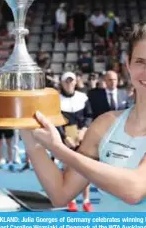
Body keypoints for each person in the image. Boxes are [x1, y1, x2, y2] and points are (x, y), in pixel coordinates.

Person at [20, 20, 146, 212]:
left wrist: (59, 150)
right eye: (140, 62)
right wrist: (30, 136)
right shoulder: (105, 124)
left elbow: (135, 189)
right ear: (128, 65)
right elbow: (60, 194)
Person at [55, 72, 93, 212]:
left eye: (71, 81)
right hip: (67, 139)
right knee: (68, 169)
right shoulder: (56, 100)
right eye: (66, 81)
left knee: (85, 170)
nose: (69, 84)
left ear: (75, 82)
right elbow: (56, 121)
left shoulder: (83, 98)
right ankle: (71, 200)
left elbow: (89, 116)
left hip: (82, 137)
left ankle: (86, 201)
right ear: (62, 83)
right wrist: (65, 137)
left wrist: (83, 130)